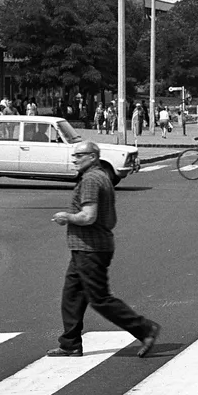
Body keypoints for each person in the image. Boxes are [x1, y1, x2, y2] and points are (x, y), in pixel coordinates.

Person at [49, 141, 160, 358]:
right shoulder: (102, 177)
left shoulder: (91, 180)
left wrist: (66, 217)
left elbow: (88, 216)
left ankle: (145, 329)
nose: (75, 159)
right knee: (72, 295)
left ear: (93, 156)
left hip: (91, 247)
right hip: (89, 247)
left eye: (79, 155)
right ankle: (70, 343)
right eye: (74, 155)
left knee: (99, 298)